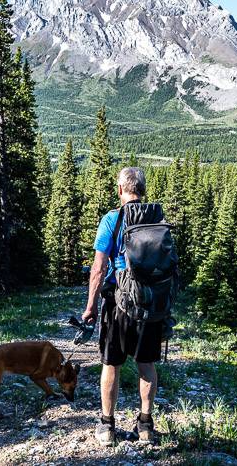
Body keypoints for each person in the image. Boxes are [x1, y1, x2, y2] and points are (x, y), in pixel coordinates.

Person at [82, 166, 162, 446]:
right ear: (142, 190)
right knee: (146, 364)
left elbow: (98, 266)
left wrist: (91, 305)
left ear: (120, 190)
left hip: (118, 300)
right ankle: (146, 425)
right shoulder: (157, 220)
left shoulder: (111, 219)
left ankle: (107, 426)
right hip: (150, 301)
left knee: (111, 364)